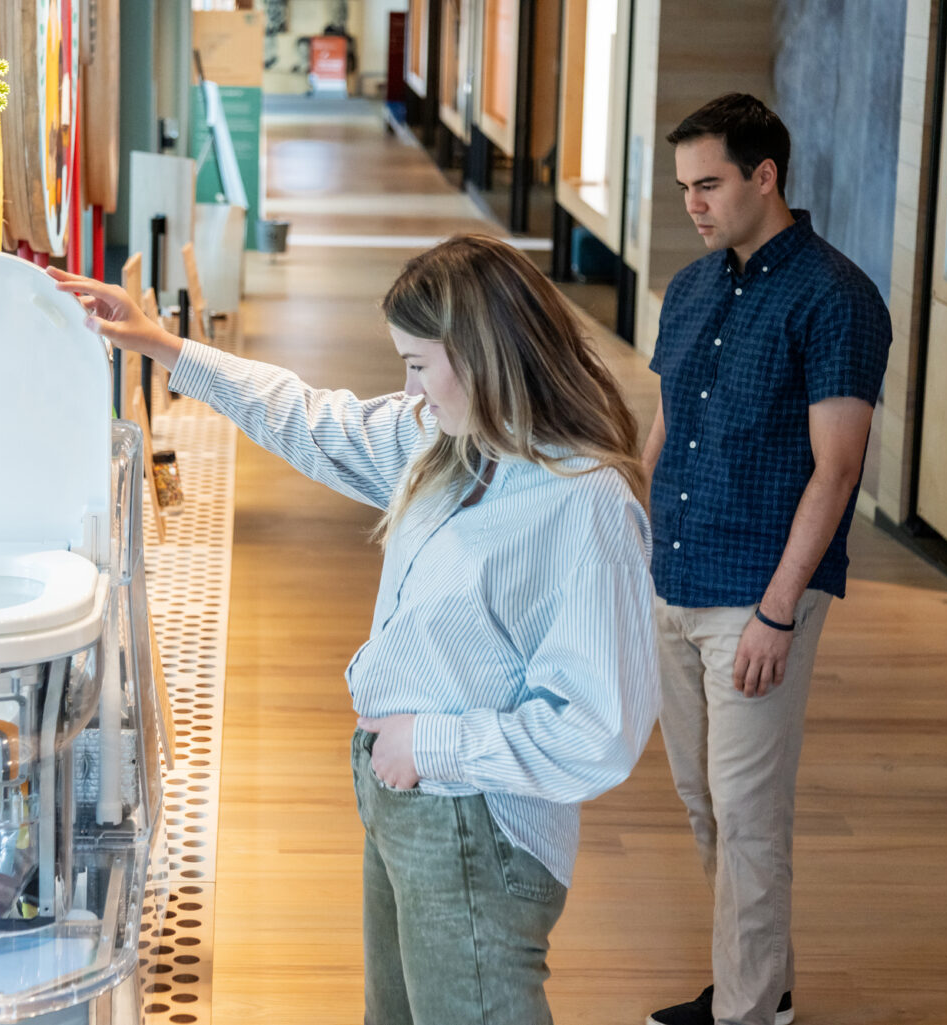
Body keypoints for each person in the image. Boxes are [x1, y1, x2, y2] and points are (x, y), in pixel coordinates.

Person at [48, 235, 660, 1025]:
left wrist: (429, 745)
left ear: (483, 356)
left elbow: (600, 731)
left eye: (418, 364)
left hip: (475, 823)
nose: (410, 389)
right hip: (403, 794)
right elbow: (310, 418)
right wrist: (162, 345)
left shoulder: (585, 501)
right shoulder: (448, 441)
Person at [640, 94, 891, 1025]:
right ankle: (761, 984)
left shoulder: (835, 298)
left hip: (757, 594)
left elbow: (838, 468)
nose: (693, 205)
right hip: (675, 578)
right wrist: (626, 543)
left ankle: (745, 1011)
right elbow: (664, 429)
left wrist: (779, 610)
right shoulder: (691, 288)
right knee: (704, 801)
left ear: (765, 176)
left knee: (747, 812)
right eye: (684, 187)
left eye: (709, 184)